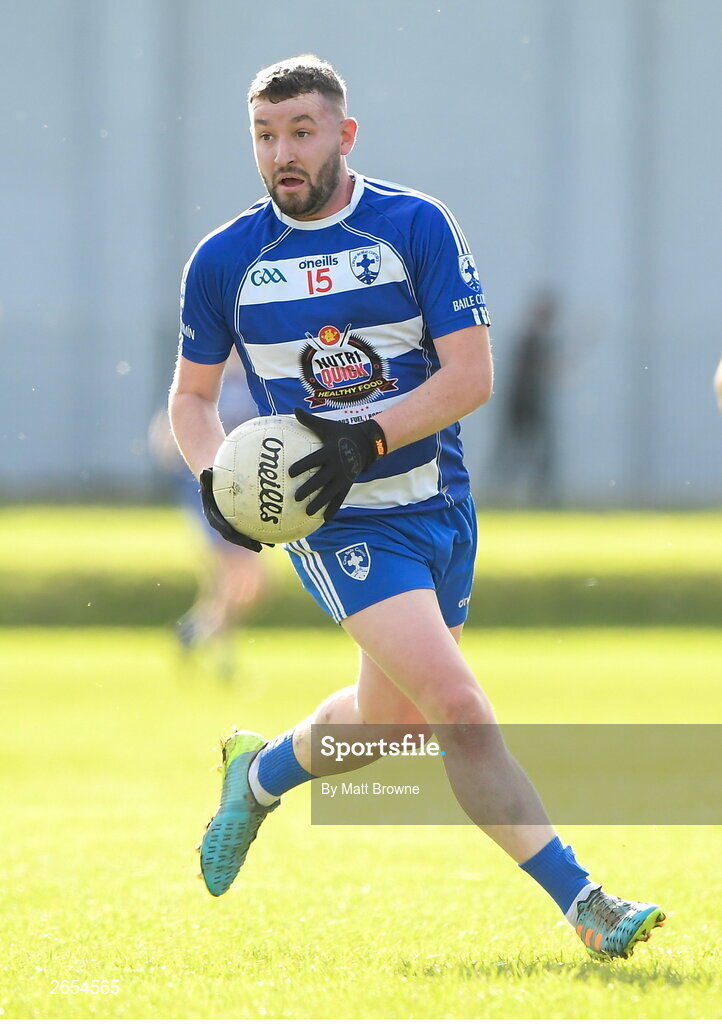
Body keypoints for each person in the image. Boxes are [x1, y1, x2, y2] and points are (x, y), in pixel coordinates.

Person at [168, 55, 665, 960]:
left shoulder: (414, 224)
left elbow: (470, 376)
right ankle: (585, 902)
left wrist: (368, 437)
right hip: (338, 523)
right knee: (460, 711)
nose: (282, 151)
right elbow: (192, 401)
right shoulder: (226, 260)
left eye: (301, 131)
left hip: (438, 502)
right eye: (265, 134)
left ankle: (262, 771)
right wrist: (217, 483)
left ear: (344, 134)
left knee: (389, 728)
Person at [151, 351, 266, 671]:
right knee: (250, 581)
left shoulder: (258, 376)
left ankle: (204, 640)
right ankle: (208, 643)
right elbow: (167, 439)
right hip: (215, 494)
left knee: (231, 584)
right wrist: (203, 475)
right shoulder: (207, 378)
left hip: (250, 494)